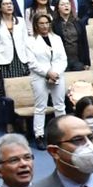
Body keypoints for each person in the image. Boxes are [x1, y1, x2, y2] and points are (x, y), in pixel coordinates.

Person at [25, 11, 67, 146]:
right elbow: (32, 63)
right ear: (36, 25)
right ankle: (39, 135)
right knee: (40, 107)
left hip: (57, 75)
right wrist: (48, 73)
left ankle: (62, 132)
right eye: (41, 23)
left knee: (60, 105)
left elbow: (63, 59)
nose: (44, 26)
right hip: (39, 77)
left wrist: (56, 73)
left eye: (46, 23)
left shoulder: (57, 38)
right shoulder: (30, 41)